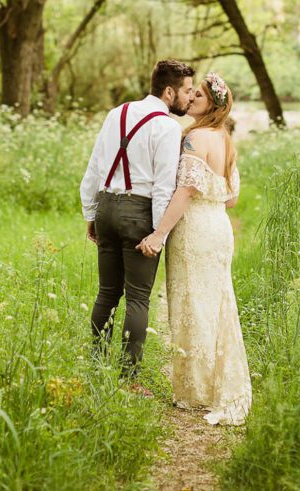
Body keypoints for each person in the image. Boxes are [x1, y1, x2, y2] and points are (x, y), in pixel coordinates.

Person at [137, 72, 252, 425]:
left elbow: (184, 192)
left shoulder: (193, 139)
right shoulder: (226, 140)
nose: (190, 99)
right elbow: (232, 199)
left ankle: (197, 390)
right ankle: (212, 382)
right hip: (218, 227)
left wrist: (159, 234)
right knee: (216, 302)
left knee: (192, 303)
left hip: (194, 231)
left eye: (198, 96)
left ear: (211, 105)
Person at [79, 60, 195, 384]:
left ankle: (97, 369)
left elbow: (94, 169)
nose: (189, 98)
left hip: (106, 206)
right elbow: (162, 187)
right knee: (138, 298)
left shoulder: (116, 113)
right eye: (186, 91)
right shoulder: (169, 127)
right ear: (169, 91)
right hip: (139, 214)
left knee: (106, 293)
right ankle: (128, 380)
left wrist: (92, 215)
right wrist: (159, 233)